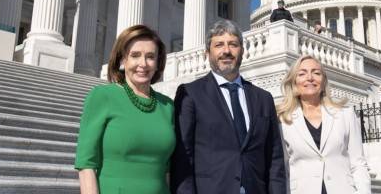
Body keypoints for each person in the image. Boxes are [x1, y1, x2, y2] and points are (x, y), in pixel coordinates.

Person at [170, 20, 286, 194]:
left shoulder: (263, 98)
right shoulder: (190, 94)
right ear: (207, 53)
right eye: (219, 45)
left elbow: (275, 159)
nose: (226, 51)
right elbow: (182, 159)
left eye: (233, 44)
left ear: (242, 51)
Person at [75, 25, 175, 194]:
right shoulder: (102, 96)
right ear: (122, 60)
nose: (143, 64)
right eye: (135, 55)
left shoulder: (167, 106)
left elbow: (168, 170)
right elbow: (86, 165)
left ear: (158, 63)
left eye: (150, 57)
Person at [277, 55, 371, 194]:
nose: (310, 78)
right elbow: (282, 168)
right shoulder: (283, 120)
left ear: (323, 81)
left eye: (316, 73)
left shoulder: (346, 115)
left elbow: (358, 163)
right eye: (302, 74)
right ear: (294, 82)